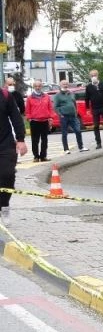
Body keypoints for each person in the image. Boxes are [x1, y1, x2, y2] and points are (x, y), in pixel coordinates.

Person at [0, 81, 27, 226]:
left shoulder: (5, 95)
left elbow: (16, 117)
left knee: (7, 175)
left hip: (5, 144)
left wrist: (20, 139)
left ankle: (4, 206)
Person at [53, 81, 87, 153]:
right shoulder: (57, 95)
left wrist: (75, 112)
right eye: (63, 84)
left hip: (73, 116)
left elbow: (74, 103)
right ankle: (66, 149)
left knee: (78, 130)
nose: (65, 85)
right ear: (60, 85)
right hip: (64, 116)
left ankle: (81, 147)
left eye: (66, 84)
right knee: (64, 133)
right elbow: (55, 107)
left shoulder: (71, 93)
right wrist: (60, 114)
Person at [24, 79, 54, 161]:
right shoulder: (30, 98)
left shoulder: (47, 97)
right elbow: (27, 110)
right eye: (36, 86)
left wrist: (51, 117)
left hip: (45, 121)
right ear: (33, 87)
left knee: (45, 140)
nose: (38, 87)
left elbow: (50, 108)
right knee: (35, 140)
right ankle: (36, 156)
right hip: (34, 121)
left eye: (39, 86)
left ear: (42, 87)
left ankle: (43, 156)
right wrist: (29, 118)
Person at [85, 69, 103, 149]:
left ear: (98, 75)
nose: (94, 77)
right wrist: (87, 108)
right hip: (95, 108)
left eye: (95, 75)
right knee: (96, 126)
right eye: (92, 75)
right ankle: (98, 143)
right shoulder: (89, 86)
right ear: (90, 77)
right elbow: (87, 98)